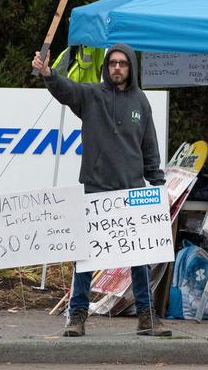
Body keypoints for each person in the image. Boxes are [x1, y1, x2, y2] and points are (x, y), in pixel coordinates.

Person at [32, 44, 171, 337]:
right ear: (106, 67)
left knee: (139, 258)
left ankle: (147, 318)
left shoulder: (141, 102)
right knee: (85, 257)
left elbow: (149, 147)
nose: (117, 68)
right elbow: (65, 89)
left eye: (122, 63)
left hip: (133, 191)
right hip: (96, 189)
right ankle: (77, 317)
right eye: (112, 63)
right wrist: (47, 73)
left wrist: (158, 183)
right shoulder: (91, 96)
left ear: (131, 67)